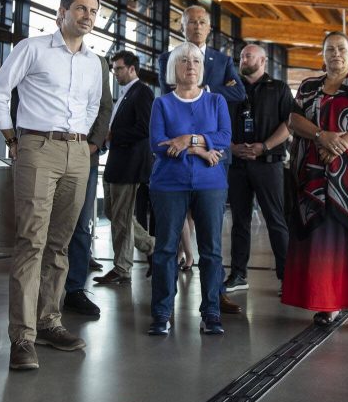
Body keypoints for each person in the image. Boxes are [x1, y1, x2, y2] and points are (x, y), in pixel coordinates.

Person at [0, 0, 104, 371]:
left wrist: (80, 143)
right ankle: (22, 337)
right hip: (37, 147)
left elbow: (93, 105)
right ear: (62, 11)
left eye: (93, 11)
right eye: (81, 8)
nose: (88, 16)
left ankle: (50, 321)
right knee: (31, 242)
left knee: (60, 244)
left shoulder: (93, 62)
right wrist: (11, 139)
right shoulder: (32, 48)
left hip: (78, 153)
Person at [283, 32, 348, 334]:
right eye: (330, 49)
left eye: (341, 49)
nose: (336, 54)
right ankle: (327, 303)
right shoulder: (308, 87)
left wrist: (341, 143)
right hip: (316, 177)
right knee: (323, 241)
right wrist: (321, 136)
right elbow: (294, 120)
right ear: (322, 54)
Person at [157, 4, 244, 314]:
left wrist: (205, 88)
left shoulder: (221, 61)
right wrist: (195, 145)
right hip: (177, 158)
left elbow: (238, 93)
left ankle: (215, 297)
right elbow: (169, 95)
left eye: (202, 22)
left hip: (215, 157)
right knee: (170, 234)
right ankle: (163, 303)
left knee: (211, 238)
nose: (196, 26)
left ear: (209, 28)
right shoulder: (168, 59)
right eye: (190, 22)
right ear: (182, 27)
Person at [147, 42, 232, 336]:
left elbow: (223, 138)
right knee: (165, 250)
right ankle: (161, 312)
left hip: (211, 184)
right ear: (174, 67)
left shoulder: (216, 102)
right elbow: (158, 145)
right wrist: (200, 149)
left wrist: (187, 140)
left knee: (211, 251)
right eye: (184, 61)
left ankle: (211, 311)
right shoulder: (162, 103)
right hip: (169, 184)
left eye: (196, 60)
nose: (191, 66)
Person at [224, 43, 293, 294]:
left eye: (248, 55)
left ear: (263, 60)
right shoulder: (230, 91)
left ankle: (287, 279)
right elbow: (218, 123)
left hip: (268, 163)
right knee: (239, 221)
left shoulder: (279, 88)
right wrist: (231, 148)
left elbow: (290, 123)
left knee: (275, 220)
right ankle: (238, 274)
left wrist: (264, 146)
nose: (243, 58)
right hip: (238, 164)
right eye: (241, 55)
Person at [93, 50, 156, 286]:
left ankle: (122, 267)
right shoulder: (125, 95)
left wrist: (112, 134)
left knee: (121, 218)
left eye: (119, 68)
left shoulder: (142, 93)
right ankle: (151, 246)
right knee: (115, 214)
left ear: (132, 69)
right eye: (114, 68)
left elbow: (144, 128)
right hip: (116, 163)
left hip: (130, 165)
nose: (115, 72)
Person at [62, 70, 111, 314]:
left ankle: (75, 290)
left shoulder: (97, 64)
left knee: (81, 225)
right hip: (47, 152)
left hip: (85, 158)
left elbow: (104, 108)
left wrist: (93, 145)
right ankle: (40, 289)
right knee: (42, 224)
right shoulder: (36, 51)